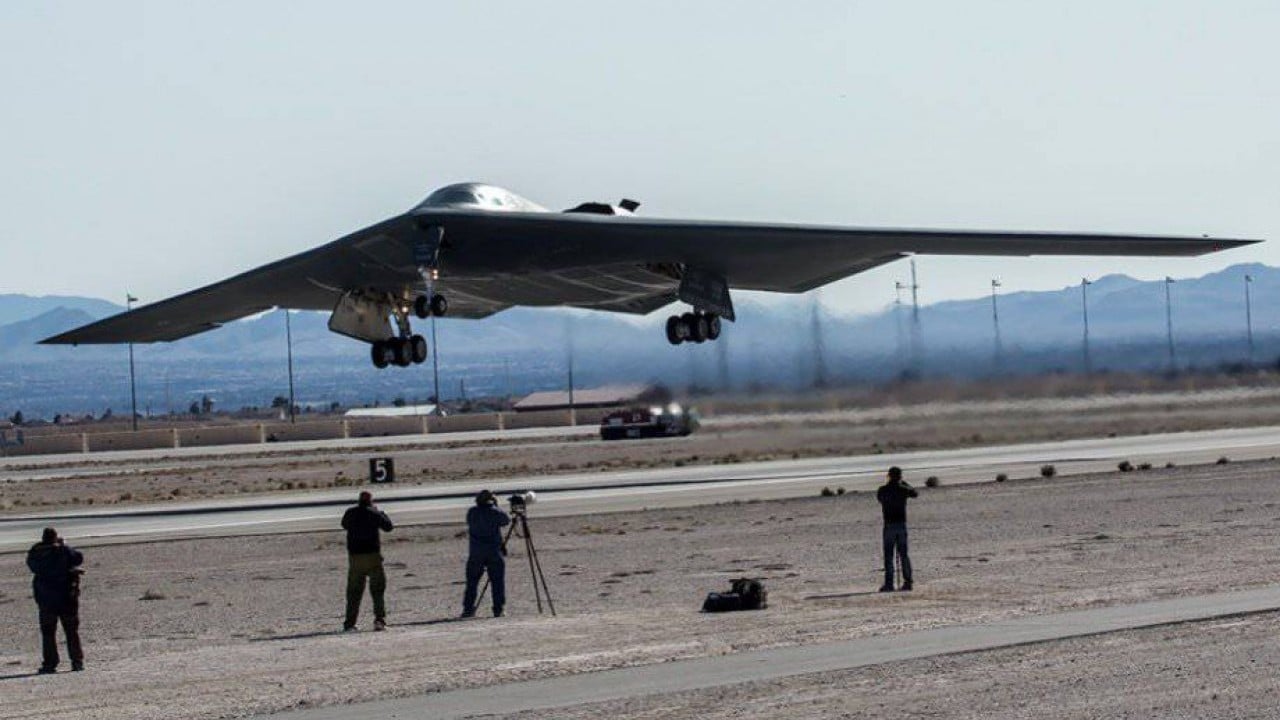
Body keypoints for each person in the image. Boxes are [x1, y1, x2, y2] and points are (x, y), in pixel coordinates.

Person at [26, 527, 84, 673]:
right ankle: (76, 662)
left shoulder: (36, 553)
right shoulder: (62, 551)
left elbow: (31, 564)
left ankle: (50, 664)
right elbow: (78, 558)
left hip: (46, 600)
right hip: (66, 599)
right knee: (71, 631)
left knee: (48, 633)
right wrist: (63, 546)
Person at [341, 491, 393, 631]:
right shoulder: (374, 514)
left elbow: (344, 524)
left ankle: (350, 623)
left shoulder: (350, 513)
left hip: (355, 557)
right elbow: (388, 526)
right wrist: (380, 513)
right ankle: (379, 619)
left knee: (353, 592)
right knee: (377, 590)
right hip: (372, 556)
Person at [462, 489, 510, 618]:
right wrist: (495, 505)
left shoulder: (472, 512)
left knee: (472, 582)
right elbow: (506, 520)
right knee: (497, 582)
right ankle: (498, 609)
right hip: (493, 551)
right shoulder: (495, 512)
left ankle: (468, 609)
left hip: (476, 552)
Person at [877, 466, 918, 592]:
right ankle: (908, 582)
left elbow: (880, 499)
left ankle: (889, 584)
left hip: (889, 525)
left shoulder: (883, 490)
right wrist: (904, 483)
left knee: (889, 555)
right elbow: (915, 493)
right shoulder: (903, 489)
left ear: (889, 476)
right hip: (901, 524)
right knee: (903, 554)